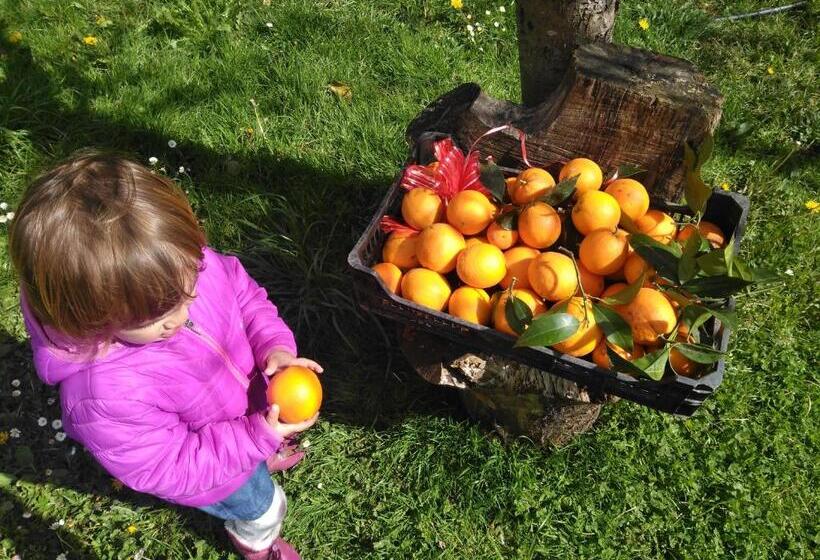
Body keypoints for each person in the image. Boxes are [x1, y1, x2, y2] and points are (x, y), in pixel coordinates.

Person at [8, 152, 320, 560]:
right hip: (217, 474)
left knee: (254, 456)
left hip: (246, 421)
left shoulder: (173, 265)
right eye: (157, 317)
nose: (182, 314)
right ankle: (256, 541)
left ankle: (261, 454)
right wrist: (250, 439)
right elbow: (169, 466)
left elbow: (245, 297)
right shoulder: (103, 393)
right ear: (91, 318)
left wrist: (274, 347)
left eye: (191, 285)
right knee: (262, 506)